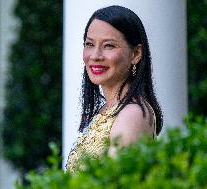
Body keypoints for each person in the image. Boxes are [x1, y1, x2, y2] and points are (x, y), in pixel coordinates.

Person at [66, 5, 163, 172]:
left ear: (136, 54)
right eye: (89, 44)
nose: (95, 55)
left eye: (109, 46)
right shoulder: (107, 110)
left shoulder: (133, 113)